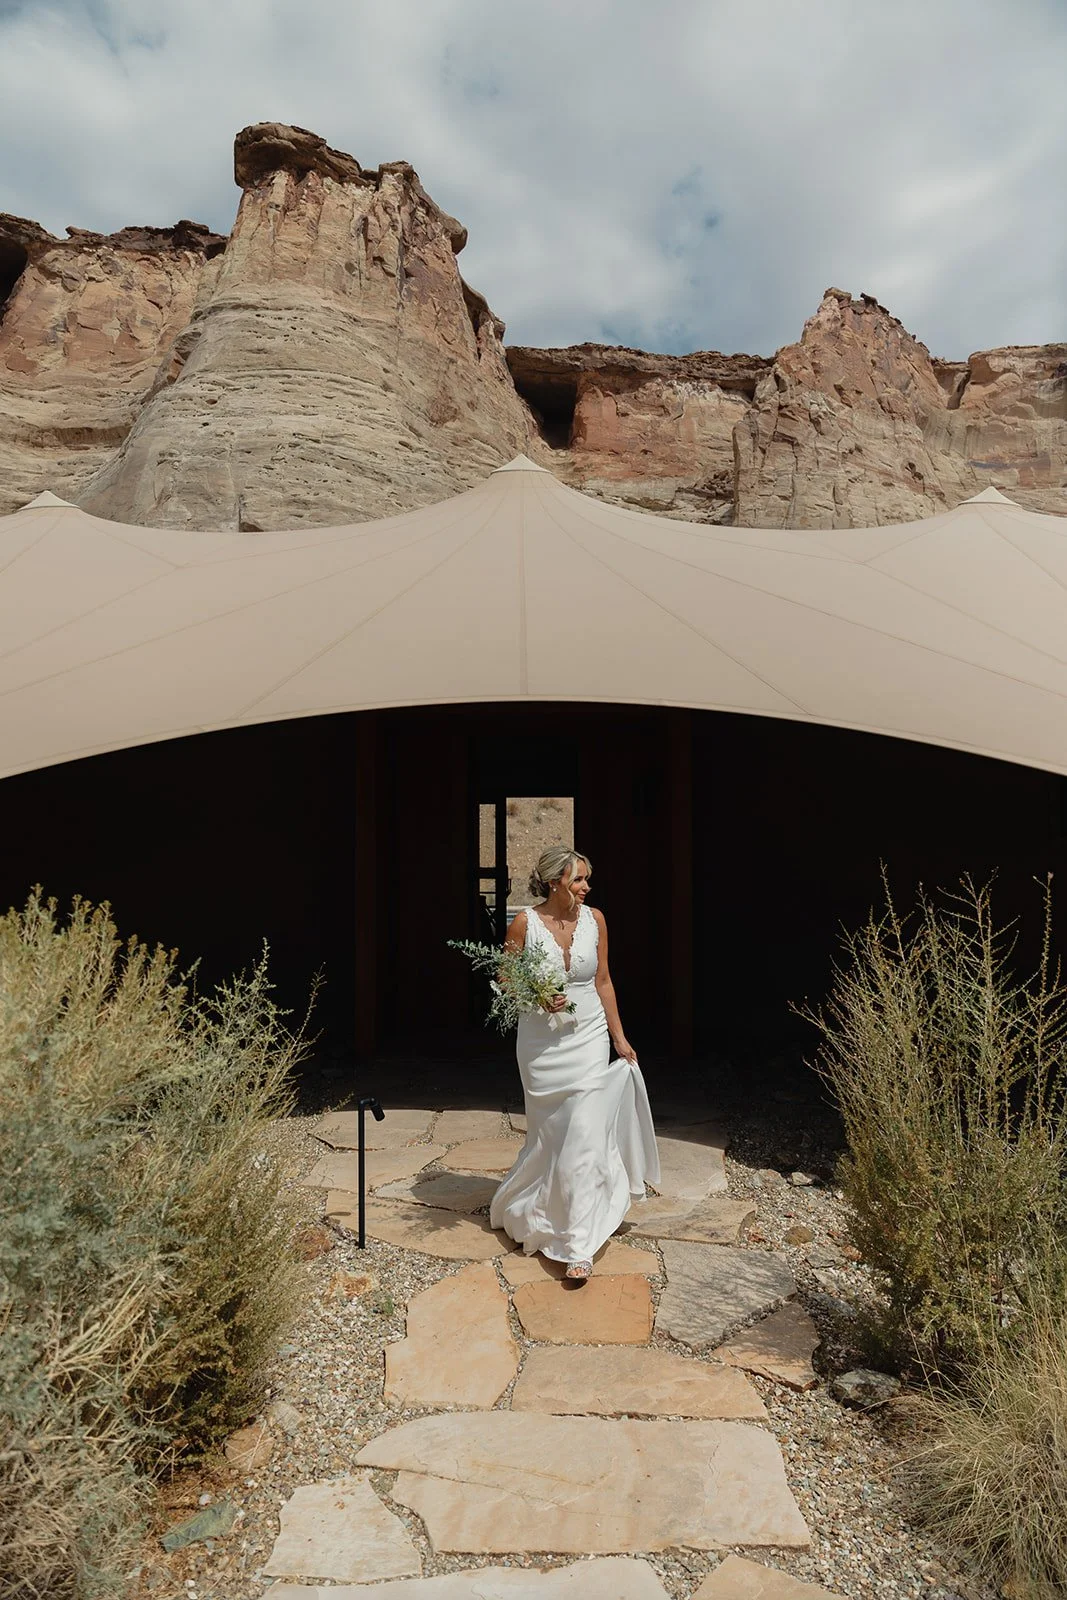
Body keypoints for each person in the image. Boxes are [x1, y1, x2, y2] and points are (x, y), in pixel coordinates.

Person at [489, 846, 660, 1280]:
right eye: (578, 880)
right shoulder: (524, 924)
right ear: (554, 882)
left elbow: (602, 981)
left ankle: (577, 1242)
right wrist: (538, 997)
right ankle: (538, 1208)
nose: (586, 887)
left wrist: (619, 1039)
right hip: (542, 1046)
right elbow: (504, 980)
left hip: (588, 1037)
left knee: (584, 1132)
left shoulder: (595, 920)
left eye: (586, 879)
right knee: (551, 1137)